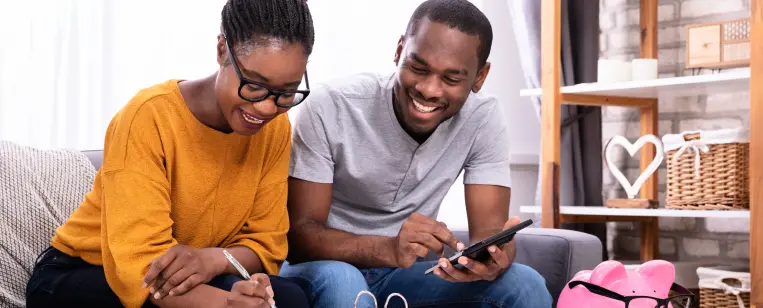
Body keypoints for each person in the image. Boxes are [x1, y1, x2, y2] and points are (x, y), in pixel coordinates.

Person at [25, 0, 314, 307]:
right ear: (221, 50)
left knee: (288, 298)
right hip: (85, 275)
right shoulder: (148, 118)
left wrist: (212, 260)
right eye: (254, 86)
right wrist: (226, 304)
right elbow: (139, 269)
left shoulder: (275, 128)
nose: (267, 107)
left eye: (285, 92)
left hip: (188, 273)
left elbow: (267, 245)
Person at [280, 0, 553, 307]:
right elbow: (299, 237)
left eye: (451, 78)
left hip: (403, 273)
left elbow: (488, 233)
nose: (429, 89)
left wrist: (493, 258)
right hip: (322, 269)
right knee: (346, 283)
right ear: (399, 51)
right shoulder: (330, 105)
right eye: (418, 67)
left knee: (524, 283)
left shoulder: (484, 118)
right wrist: (388, 248)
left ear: (480, 77)